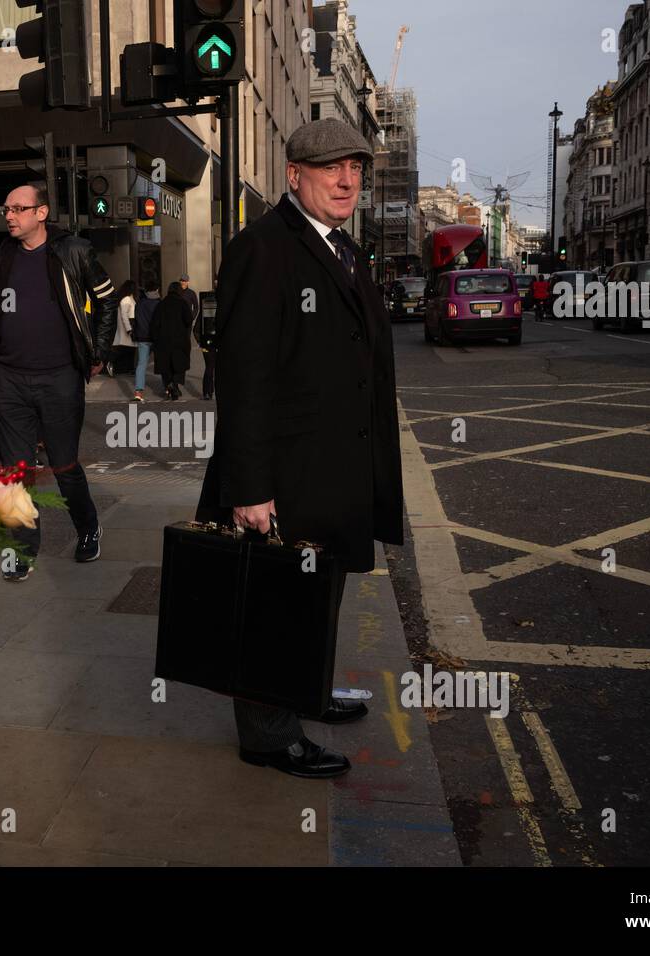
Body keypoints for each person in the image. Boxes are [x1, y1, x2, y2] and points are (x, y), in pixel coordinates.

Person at [196, 118, 404, 779]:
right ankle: (268, 734)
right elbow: (245, 376)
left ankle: (307, 691)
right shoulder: (264, 247)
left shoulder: (342, 249)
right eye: (331, 169)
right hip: (285, 473)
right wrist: (249, 487)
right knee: (275, 606)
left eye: (356, 169)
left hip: (335, 470)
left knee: (322, 595)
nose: (347, 180)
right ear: (295, 175)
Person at [0, 184, 117, 581]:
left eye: (18, 209)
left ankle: (88, 528)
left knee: (64, 464)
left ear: (41, 212)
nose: (10, 216)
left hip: (60, 377)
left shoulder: (73, 251)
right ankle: (22, 548)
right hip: (10, 381)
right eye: (6, 209)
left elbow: (107, 299)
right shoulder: (0, 258)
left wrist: (98, 352)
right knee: (14, 472)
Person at [152, 281, 193, 401]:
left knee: (166, 365)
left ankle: (169, 384)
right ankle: (175, 383)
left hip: (163, 340)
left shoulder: (161, 304)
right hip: (179, 340)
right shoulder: (183, 303)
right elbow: (188, 320)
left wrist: (155, 338)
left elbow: (155, 323)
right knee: (179, 365)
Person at [132, 280, 161, 402]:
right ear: (157, 290)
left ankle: (138, 392)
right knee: (161, 362)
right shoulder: (159, 303)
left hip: (142, 337)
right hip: (156, 337)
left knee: (141, 364)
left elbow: (136, 319)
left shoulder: (140, 303)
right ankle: (167, 388)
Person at [109, 280, 138, 379]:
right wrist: (129, 328)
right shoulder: (126, 299)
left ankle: (128, 368)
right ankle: (111, 363)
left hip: (127, 325)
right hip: (127, 326)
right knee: (123, 348)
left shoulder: (128, 298)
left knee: (129, 348)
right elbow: (124, 315)